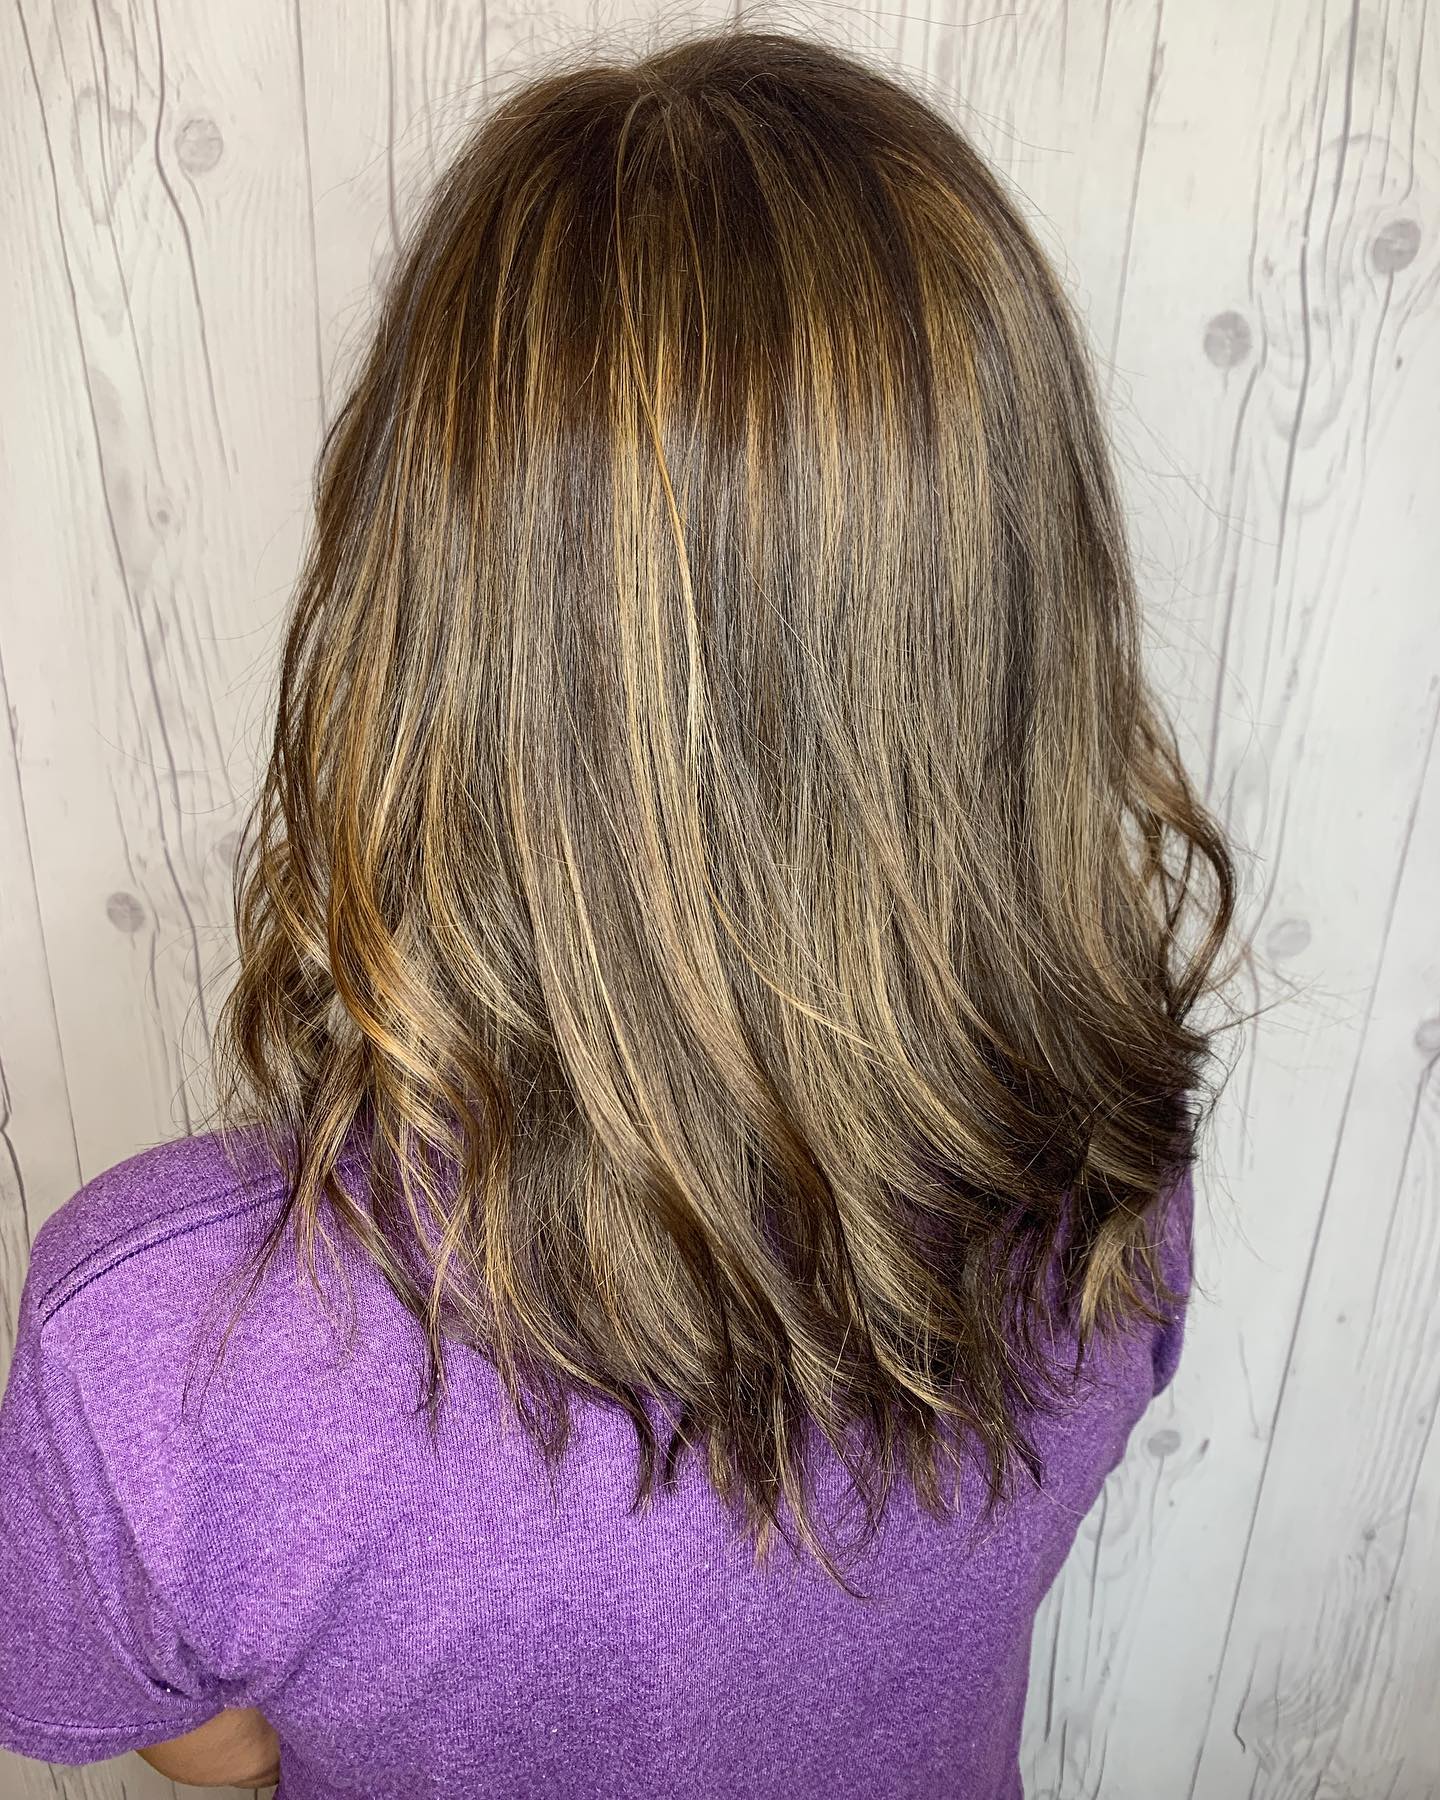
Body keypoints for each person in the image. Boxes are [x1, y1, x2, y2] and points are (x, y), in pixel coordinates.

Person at [0, 24, 1242, 1799]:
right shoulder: (1113, 1196)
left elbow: (217, 1756)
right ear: (1021, 621)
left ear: (413, 605)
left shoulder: (162, 1344)